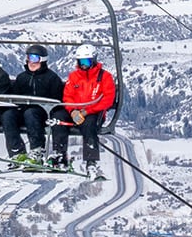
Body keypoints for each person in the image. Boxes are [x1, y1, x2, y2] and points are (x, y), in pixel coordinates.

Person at [61, 42, 117, 178]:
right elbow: (68, 96)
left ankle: (91, 163)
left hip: (93, 112)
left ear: (94, 60)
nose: (83, 65)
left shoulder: (104, 77)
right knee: (58, 120)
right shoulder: (74, 76)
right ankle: (59, 156)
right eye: (81, 62)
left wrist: (86, 111)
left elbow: (107, 99)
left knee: (89, 125)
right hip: (75, 112)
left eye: (86, 61)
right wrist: (73, 111)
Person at [10, 44, 64, 165]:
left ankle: (37, 150)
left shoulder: (51, 78)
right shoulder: (22, 78)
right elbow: (15, 97)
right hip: (24, 112)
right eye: (29, 58)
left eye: (35, 59)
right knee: (8, 116)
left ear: (42, 60)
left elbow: (57, 101)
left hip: (44, 113)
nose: (31, 62)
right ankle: (16, 151)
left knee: (31, 113)